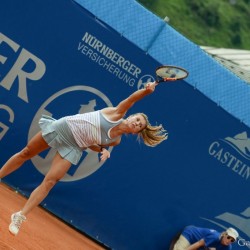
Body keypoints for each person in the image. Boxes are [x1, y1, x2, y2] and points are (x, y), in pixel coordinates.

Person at [0, 81, 168, 236]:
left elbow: (90, 144)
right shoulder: (116, 114)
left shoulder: (115, 141)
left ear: (135, 132)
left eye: (139, 126)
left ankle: (20, 215)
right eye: (137, 120)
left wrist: (102, 149)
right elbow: (132, 99)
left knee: (51, 181)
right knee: (26, 153)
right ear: (131, 116)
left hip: (74, 147)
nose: (137, 124)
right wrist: (146, 91)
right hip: (65, 128)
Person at [173, 225, 239, 250]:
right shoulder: (215, 237)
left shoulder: (228, 247)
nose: (229, 241)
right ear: (224, 234)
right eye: (229, 237)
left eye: (232, 240)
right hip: (190, 235)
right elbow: (198, 244)